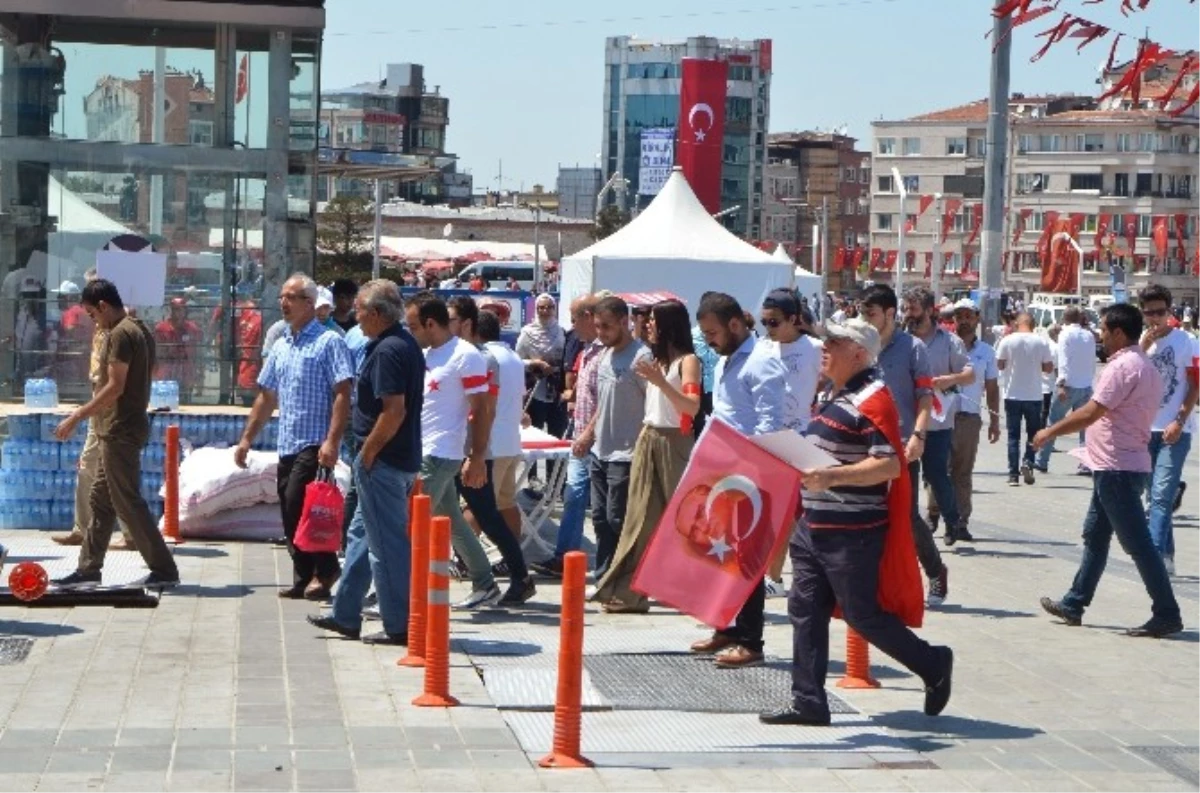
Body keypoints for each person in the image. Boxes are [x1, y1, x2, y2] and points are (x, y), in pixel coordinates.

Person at [759, 317, 953, 726]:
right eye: (825, 339)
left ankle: (933, 663)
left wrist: (831, 476)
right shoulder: (837, 391)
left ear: (860, 353)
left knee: (862, 616)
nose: (824, 346)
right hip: (815, 526)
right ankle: (808, 701)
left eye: (835, 341)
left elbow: (887, 466)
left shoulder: (874, 398)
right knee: (804, 610)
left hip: (852, 532)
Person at [1034, 303, 1183, 638]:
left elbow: (1090, 412)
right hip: (1115, 465)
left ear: (1118, 332)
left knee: (1139, 545)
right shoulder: (1144, 364)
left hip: (1117, 468)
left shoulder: (1123, 367)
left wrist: (1049, 431)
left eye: (1103, 329)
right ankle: (1074, 602)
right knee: (1096, 536)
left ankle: (1167, 612)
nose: (1099, 335)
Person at [308, 279, 422, 645]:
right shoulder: (399, 344)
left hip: (383, 460)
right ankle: (345, 614)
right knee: (359, 536)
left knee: (386, 546)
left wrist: (368, 453)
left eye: (358, 310)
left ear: (376, 313)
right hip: (390, 458)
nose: (354, 317)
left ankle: (400, 623)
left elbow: (394, 411)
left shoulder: (389, 350)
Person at [51, 279, 180, 590]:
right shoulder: (140, 329)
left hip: (119, 428)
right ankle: (88, 569)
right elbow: (144, 375)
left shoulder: (119, 334)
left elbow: (115, 386)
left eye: (92, 315)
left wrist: (77, 416)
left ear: (103, 306)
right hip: (121, 426)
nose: (93, 322)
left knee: (127, 502)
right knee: (101, 501)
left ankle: (163, 568)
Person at [236, 273, 353, 600]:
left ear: (309, 303)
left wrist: (332, 441)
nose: (284, 303)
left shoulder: (329, 342)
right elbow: (266, 395)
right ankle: (303, 575)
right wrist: (247, 439)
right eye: (282, 297)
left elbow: (343, 392)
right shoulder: (282, 344)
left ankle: (326, 569)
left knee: (302, 504)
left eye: (291, 297)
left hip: (315, 443)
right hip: (287, 441)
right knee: (289, 510)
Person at [689, 292, 786, 668]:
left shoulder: (761, 361)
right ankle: (726, 626)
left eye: (712, 332)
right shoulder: (729, 358)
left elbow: (769, 424)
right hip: (725, 473)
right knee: (722, 555)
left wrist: (752, 473)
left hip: (750, 476)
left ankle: (750, 639)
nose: (709, 340)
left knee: (747, 562)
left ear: (734, 325)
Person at [593, 299, 699, 613]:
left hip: (673, 442)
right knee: (638, 519)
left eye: (652, 320)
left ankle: (693, 589)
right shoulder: (655, 360)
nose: (646, 325)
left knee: (679, 521)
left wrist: (661, 382)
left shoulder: (687, 361)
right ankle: (630, 593)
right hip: (648, 438)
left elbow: (691, 407)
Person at [404, 291, 506, 609]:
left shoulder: (466, 355)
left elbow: (483, 410)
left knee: (409, 523)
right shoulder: (426, 354)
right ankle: (485, 583)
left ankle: (394, 591)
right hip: (424, 450)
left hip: (440, 453)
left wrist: (477, 457)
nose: (408, 333)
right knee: (453, 521)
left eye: (412, 326)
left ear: (430, 323)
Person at [859, 284, 949, 607]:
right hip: (865, 445)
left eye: (871, 314)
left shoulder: (912, 348)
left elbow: (925, 397)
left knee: (907, 518)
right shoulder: (859, 347)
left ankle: (936, 569)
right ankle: (876, 585)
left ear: (889, 314)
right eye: (862, 313)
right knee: (867, 516)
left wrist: (919, 435)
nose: (865, 320)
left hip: (903, 446)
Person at [447, 297, 535, 604]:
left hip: (484, 449)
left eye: (452, 321)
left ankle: (496, 575)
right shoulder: (505, 356)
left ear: (469, 324)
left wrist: (476, 454)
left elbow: (484, 408)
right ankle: (510, 574)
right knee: (495, 511)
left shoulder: (481, 358)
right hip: (496, 445)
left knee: (482, 514)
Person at [573, 296, 652, 578]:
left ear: (624, 322)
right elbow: (603, 404)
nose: (601, 332)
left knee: (618, 518)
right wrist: (586, 434)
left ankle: (629, 575)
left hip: (627, 454)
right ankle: (605, 575)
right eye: (597, 326)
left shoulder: (641, 357)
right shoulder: (605, 355)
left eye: (606, 326)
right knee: (599, 519)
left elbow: (652, 408)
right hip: (601, 451)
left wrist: (644, 449)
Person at [759, 288, 823, 597]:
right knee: (775, 512)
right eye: (764, 323)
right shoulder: (762, 349)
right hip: (769, 441)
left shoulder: (815, 348)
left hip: (803, 441)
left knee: (799, 513)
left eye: (774, 322)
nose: (768, 329)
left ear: (795, 319)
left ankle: (783, 576)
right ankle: (774, 577)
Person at [534, 294, 604, 577]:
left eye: (575, 319)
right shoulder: (586, 349)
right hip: (582, 433)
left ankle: (607, 562)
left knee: (600, 504)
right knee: (573, 494)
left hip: (598, 438)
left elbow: (608, 399)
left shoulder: (604, 351)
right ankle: (565, 556)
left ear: (589, 316)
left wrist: (588, 432)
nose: (572, 325)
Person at [903, 287, 975, 545]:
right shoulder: (901, 340)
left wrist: (948, 379)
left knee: (935, 474)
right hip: (906, 422)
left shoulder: (948, 341)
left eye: (913, 309)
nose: (908, 314)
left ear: (930, 311)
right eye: (906, 309)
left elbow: (970, 374)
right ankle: (911, 532)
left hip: (937, 421)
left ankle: (953, 520)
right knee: (907, 480)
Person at [1138, 285, 1199, 577]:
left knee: (1161, 497)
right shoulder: (1139, 345)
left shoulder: (1187, 341)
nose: (1155, 318)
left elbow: (1196, 384)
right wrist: (1140, 350)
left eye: (1161, 312)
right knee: (1155, 497)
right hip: (1143, 431)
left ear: (1170, 311)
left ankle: (1152, 559)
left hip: (1175, 429)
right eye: (1150, 313)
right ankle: (1167, 556)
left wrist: (1180, 419)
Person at [929, 299, 1000, 540]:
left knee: (962, 472)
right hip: (940, 415)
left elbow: (991, 388)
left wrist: (995, 420)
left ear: (977, 319)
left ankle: (960, 521)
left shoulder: (986, 352)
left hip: (968, 418)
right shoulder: (944, 345)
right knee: (938, 470)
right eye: (960, 317)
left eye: (969, 316)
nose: (964, 321)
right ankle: (933, 515)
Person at [1036, 307, 1096, 474]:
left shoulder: (1065, 334)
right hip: (1085, 385)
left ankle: (1042, 461)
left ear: (1064, 318)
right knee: (1085, 426)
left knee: (1054, 423)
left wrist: (1061, 383)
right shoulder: (1089, 335)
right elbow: (1093, 360)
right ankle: (1085, 463)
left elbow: (1063, 359)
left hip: (1068, 385)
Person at [996, 313, 1054, 487]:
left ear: (1017, 323)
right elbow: (1048, 368)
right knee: (1033, 434)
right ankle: (1028, 462)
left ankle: (1013, 475)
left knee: (1013, 436)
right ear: (1033, 325)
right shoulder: (1041, 341)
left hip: (1012, 394)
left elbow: (999, 364)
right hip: (1034, 395)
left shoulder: (1007, 340)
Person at [516, 293, 567, 480]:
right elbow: (517, 359)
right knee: (534, 436)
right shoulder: (527, 332)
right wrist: (534, 363)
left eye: (549, 308)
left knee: (556, 436)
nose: (545, 311)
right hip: (535, 390)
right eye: (541, 308)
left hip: (555, 391)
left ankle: (555, 481)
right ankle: (532, 480)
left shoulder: (561, 332)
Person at [154, 297, 202, 395]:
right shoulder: (161, 328)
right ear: (171, 310)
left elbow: (197, 352)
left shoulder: (192, 328)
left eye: (181, 309)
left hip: (185, 371)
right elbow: (157, 352)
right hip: (167, 369)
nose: (179, 312)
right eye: (175, 309)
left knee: (186, 402)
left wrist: (197, 373)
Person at [689, 295, 721, 440]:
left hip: (717, 388)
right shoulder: (691, 335)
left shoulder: (724, 336)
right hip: (698, 388)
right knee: (699, 427)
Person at [54, 280, 92, 391]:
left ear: (68, 297)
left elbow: (71, 330)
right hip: (84, 356)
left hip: (72, 359)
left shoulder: (70, 312)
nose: (58, 299)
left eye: (60, 296)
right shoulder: (84, 311)